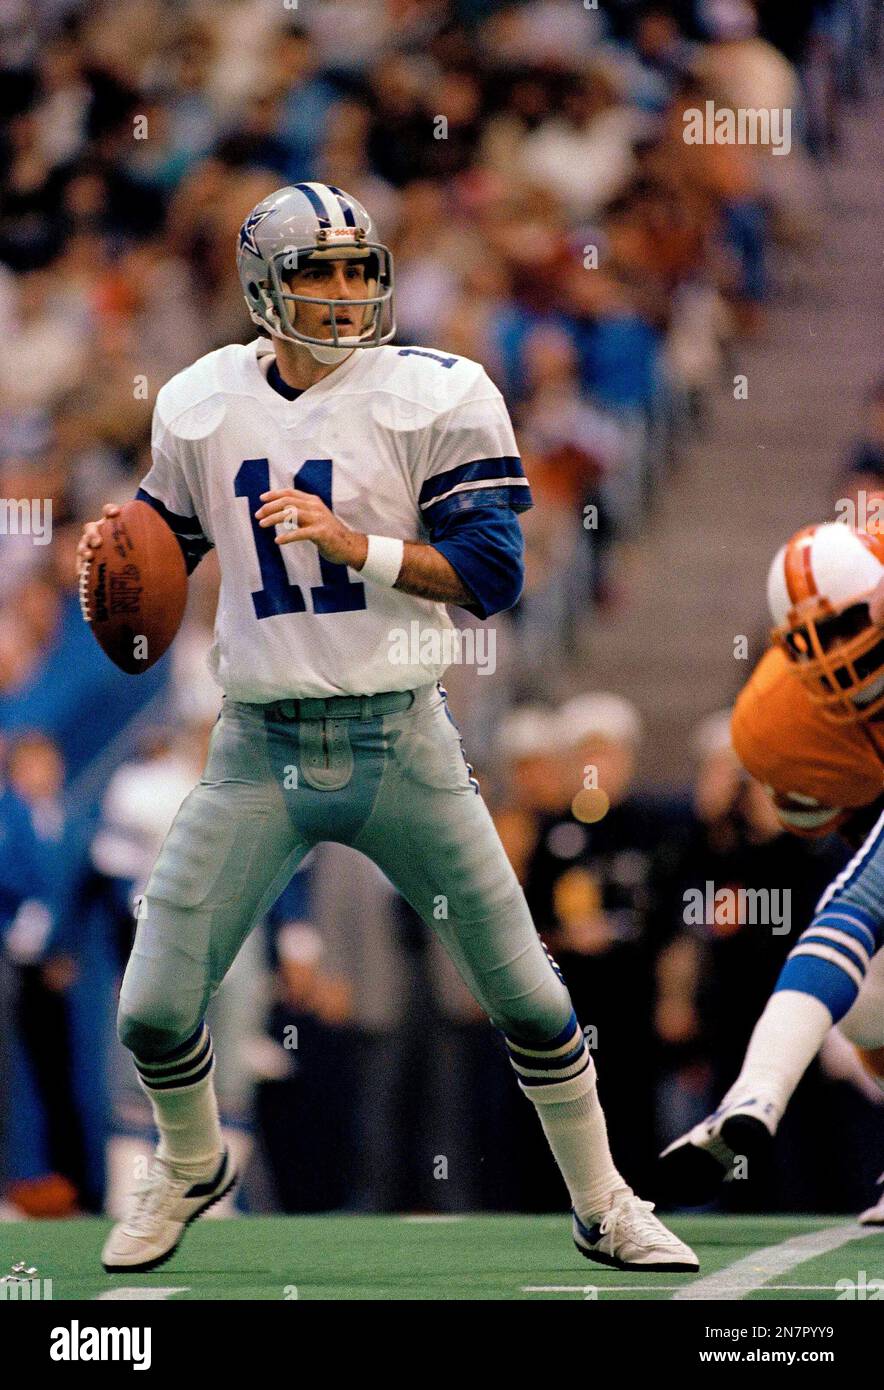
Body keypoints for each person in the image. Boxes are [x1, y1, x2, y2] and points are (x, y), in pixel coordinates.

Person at [77, 182, 697, 1275]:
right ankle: (189, 1163)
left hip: (398, 736)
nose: (343, 290)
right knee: (153, 1006)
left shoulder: (435, 391)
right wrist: (114, 558)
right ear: (262, 281)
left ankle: (604, 1200)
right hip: (259, 743)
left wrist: (353, 543)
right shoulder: (200, 401)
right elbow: (165, 538)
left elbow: (493, 575)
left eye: (357, 268)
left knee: (527, 992)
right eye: (317, 269)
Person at [659, 522, 884, 1224]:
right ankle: (751, 1098)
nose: (844, 666)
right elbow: (829, 819)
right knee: (870, 999)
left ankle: (755, 1094)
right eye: (816, 646)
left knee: (851, 911)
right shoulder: (778, 719)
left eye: (851, 625)